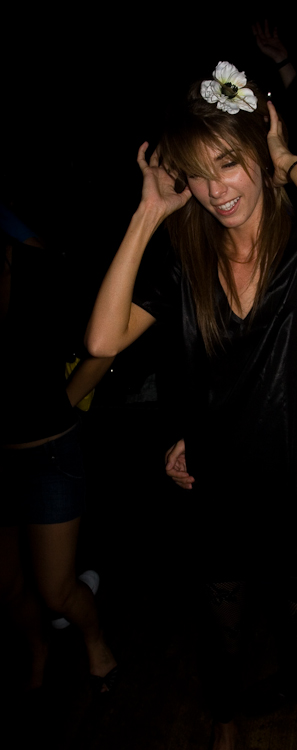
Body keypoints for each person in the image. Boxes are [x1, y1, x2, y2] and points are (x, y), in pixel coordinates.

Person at [85, 60, 297, 749]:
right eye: (197, 173)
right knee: (222, 655)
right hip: (216, 494)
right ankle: (224, 726)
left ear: (257, 152)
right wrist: (149, 212)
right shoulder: (185, 258)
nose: (217, 190)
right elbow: (101, 340)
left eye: (229, 162)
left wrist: (285, 158)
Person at [0, 217, 117, 695]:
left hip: (47, 455)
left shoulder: (38, 269)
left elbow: (105, 345)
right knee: (7, 588)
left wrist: (60, 405)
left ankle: (97, 644)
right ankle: (38, 650)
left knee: (56, 591)